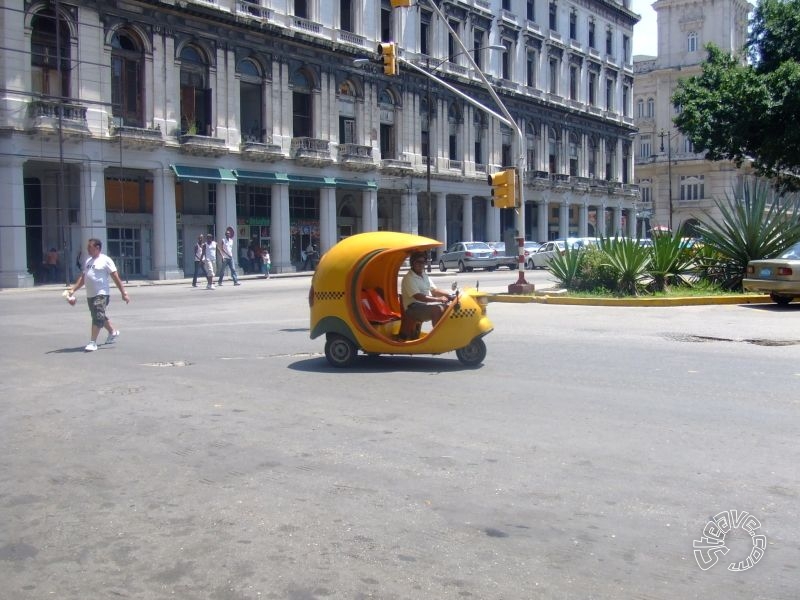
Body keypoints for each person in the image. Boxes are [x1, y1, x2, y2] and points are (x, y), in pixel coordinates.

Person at [66, 238, 130, 352]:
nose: (88, 250)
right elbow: (83, 277)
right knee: (98, 315)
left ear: (97, 248)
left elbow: (115, 277)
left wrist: (123, 293)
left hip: (102, 293)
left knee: (97, 315)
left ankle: (92, 342)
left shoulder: (106, 260)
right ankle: (113, 332)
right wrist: (73, 289)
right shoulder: (88, 261)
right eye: (88, 247)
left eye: (90, 247)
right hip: (90, 294)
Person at [400, 250, 453, 338]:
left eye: (423, 262)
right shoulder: (408, 278)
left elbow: (434, 290)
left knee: (448, 307)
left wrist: (450, 295)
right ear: (412, 263)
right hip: (412, 308)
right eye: (418, 262)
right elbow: (419, 296)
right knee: (436, 309)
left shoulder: (424, 275)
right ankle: (437, 337)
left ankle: (448, 333)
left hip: (422, 306)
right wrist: (439, 299)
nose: (421, 264)